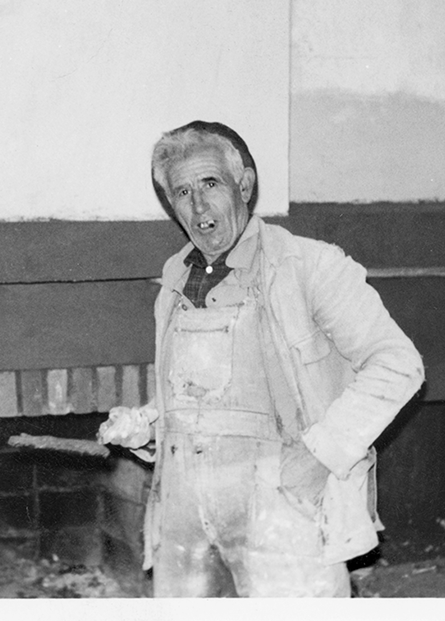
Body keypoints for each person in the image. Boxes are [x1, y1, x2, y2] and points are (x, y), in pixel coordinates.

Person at [98, 120, 424, 597]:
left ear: (244, 185)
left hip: (283, 511)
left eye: (211, 183)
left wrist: (319, 455)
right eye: (183, 192)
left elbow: (397, 364)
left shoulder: (308, 266)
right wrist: (146, 424)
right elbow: (205, 399)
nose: (198, 206)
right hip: (185, 521)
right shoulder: (174, 278)